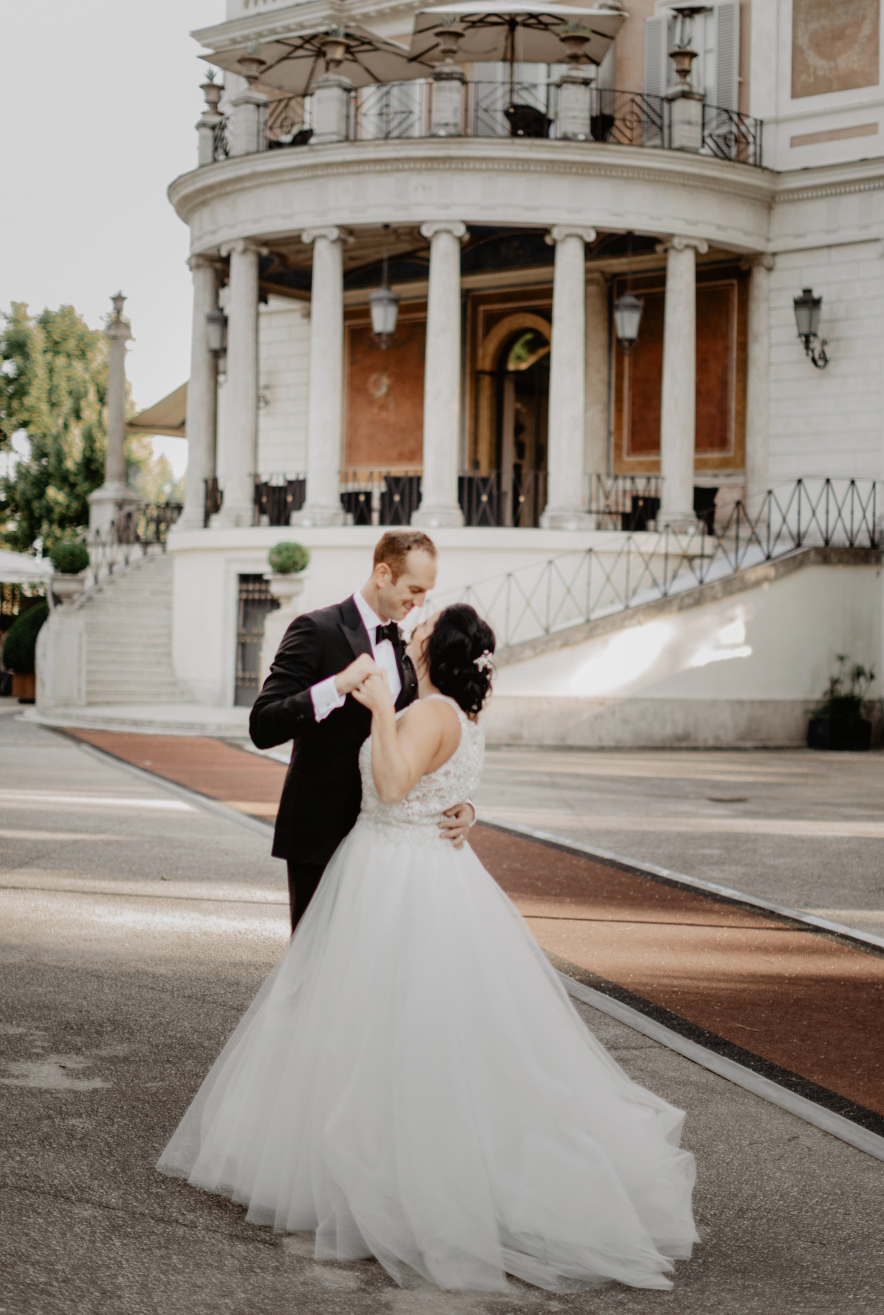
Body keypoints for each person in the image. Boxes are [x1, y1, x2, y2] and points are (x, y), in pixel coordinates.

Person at [158, 604, 698, 1294]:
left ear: (430, 654)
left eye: (418, 634)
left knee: (383, 1025)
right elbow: (446, 782)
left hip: (393, 874)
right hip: (426, 870)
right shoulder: (461, 715)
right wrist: (463, 805)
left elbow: (389, 784)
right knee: (414, 1027)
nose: (408, 635)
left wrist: (382, 707)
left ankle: (393, 1179)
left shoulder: (423, 713)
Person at [249, 529, 475, 928]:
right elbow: (263, 725)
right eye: (415, 589)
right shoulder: (315, 630)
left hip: (387, 843)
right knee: (315, 961)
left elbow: (424, 739)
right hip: (322, 834)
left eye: (427, 592)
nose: (421, 602)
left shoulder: (407, 647)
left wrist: (461, 804)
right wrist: (336, 686)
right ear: (383, 574)